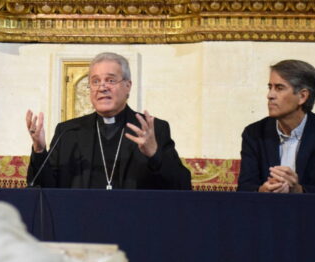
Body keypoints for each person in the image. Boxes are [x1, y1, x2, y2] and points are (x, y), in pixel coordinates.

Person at [26, 52, 191, 190]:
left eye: (111, 80)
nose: (102, 87)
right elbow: (42, 189)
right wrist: (40, 150)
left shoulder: (153, 130)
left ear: (127, 86)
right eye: (95, 81)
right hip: (79, 222)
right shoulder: (68, 132)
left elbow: (182, 187)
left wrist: (155, 155)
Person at [237, 59, 315, 194]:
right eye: (269, 87)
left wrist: (298, 191)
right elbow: (244, 188)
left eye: (279, 88)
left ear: (302, 96)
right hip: (265, 211)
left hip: (312, 213)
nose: (270, 95)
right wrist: (262, 191)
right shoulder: (254, 133)